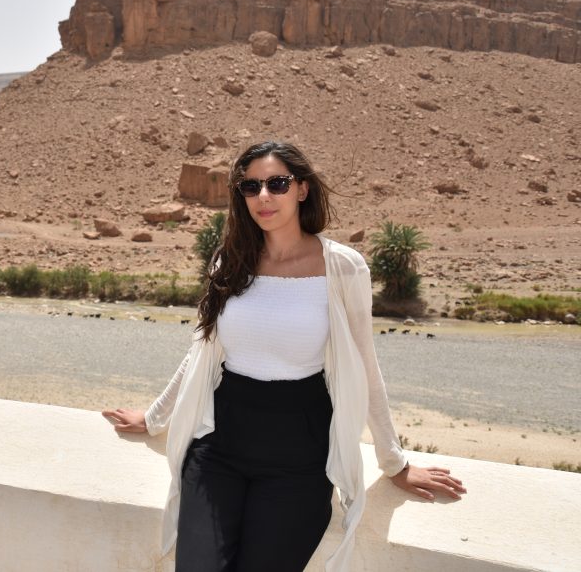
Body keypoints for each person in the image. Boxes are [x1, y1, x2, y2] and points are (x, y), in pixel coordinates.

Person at [102, 141, 465, 571]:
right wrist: (155, 417)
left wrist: (394, 462)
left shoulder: (343, 267)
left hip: (299, 457)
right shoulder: (230, 261)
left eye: (276, 183)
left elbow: (365, 365)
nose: (263, 197)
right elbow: (202, 348)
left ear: (302, 190)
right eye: (251, 187)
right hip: (219, 448)